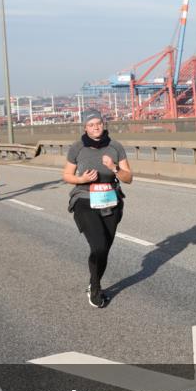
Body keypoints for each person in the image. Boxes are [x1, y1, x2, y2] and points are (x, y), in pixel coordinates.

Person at [62, 109, 132, 308]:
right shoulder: (77, 148)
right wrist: (81, 179)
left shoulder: (115, 147)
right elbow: (66, 175)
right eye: (91, 125)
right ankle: (95, 288)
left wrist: (115, 168)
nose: (95, 127)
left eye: (98, 123)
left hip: (111, 200)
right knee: (98, 246)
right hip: (85, 200)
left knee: (105, 249)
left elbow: (129, 178)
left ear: (104, 124)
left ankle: (94, 282)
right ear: (85, 127)